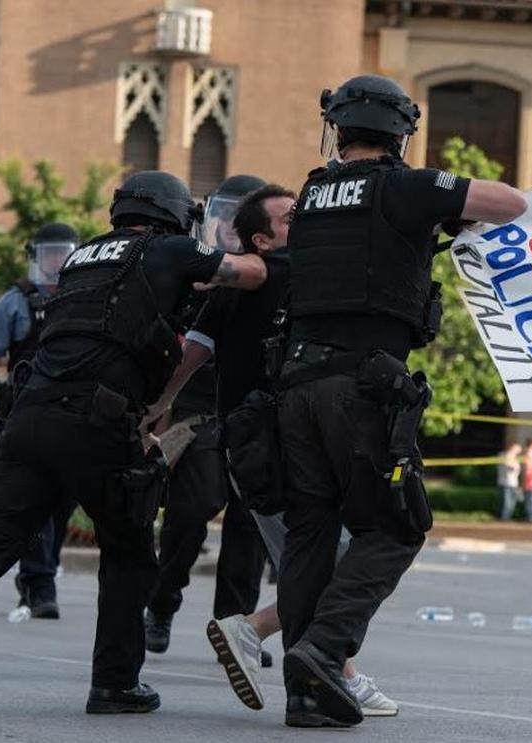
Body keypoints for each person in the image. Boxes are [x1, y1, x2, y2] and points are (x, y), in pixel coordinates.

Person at [0, 170, 267, 716]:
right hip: (97, 424)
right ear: (173, 213)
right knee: (128, 552)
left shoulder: (82, 257)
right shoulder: (170, 249)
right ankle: (114, 684)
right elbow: (244, 271)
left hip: (29, 419)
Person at [274, 75, 527, 727]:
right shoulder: (405, 186)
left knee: (310, 532)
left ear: (339, 127)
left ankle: (304, 695)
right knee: (396, 524)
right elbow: (513, 202)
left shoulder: (311, 192)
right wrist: (452, 199)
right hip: (361, 386)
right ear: (399, 134)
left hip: (296, 384)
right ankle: (325, 651)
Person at [146, 185, 398, 717]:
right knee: (340, 556)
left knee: (312, 558)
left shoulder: (250, 289)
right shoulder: (276, 273)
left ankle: (332, 674)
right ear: (262, 239)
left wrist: (161, 403)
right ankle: (252, 628)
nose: (303, 223)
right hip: (275, 444)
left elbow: (193, 353)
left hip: (259, 443)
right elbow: (197, 345)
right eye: (290, 219)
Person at [142, 174, 270, 658]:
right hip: (196, 406)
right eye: (224, 217)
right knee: (193, 505)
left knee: (249, 523)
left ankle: (236, 630)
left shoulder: (274, 274)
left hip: (255, 407)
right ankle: (161, 601)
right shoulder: (192, 272)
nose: (230, 229)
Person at [0, 222, 78, 619]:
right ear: (36, 257)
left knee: (63, 504)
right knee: (36, 497)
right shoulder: (15, 302)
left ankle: (37, 577)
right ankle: (40, 584)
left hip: (72, 414)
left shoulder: (82, 296)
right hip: (24, 414)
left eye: (62, 252)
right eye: (49, 253)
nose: (56, 260)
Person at [497, 443, 522, 521]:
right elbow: (509, 466)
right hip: (506, 483)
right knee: (507, 503)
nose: (519, 450)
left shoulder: (515, 458)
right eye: (518, 448)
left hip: (513, 483)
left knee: (512, 503)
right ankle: (504, 518)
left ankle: (507, 517)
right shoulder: (504, 455)